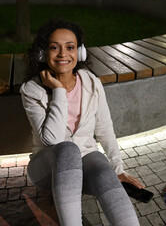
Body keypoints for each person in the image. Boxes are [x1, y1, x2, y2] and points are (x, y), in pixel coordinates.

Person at [20, 18, 144, 226]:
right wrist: (58, 90)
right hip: (46, 169)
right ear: (42, 53)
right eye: (54, 47)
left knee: (103, 167)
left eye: (70, 47)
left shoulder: (91, 82)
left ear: (80, 52)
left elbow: (104, 128)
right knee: (67, 150)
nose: (63, 54)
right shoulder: (32, 90)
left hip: (84, 164)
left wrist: (118, 169)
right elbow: (53, 140)